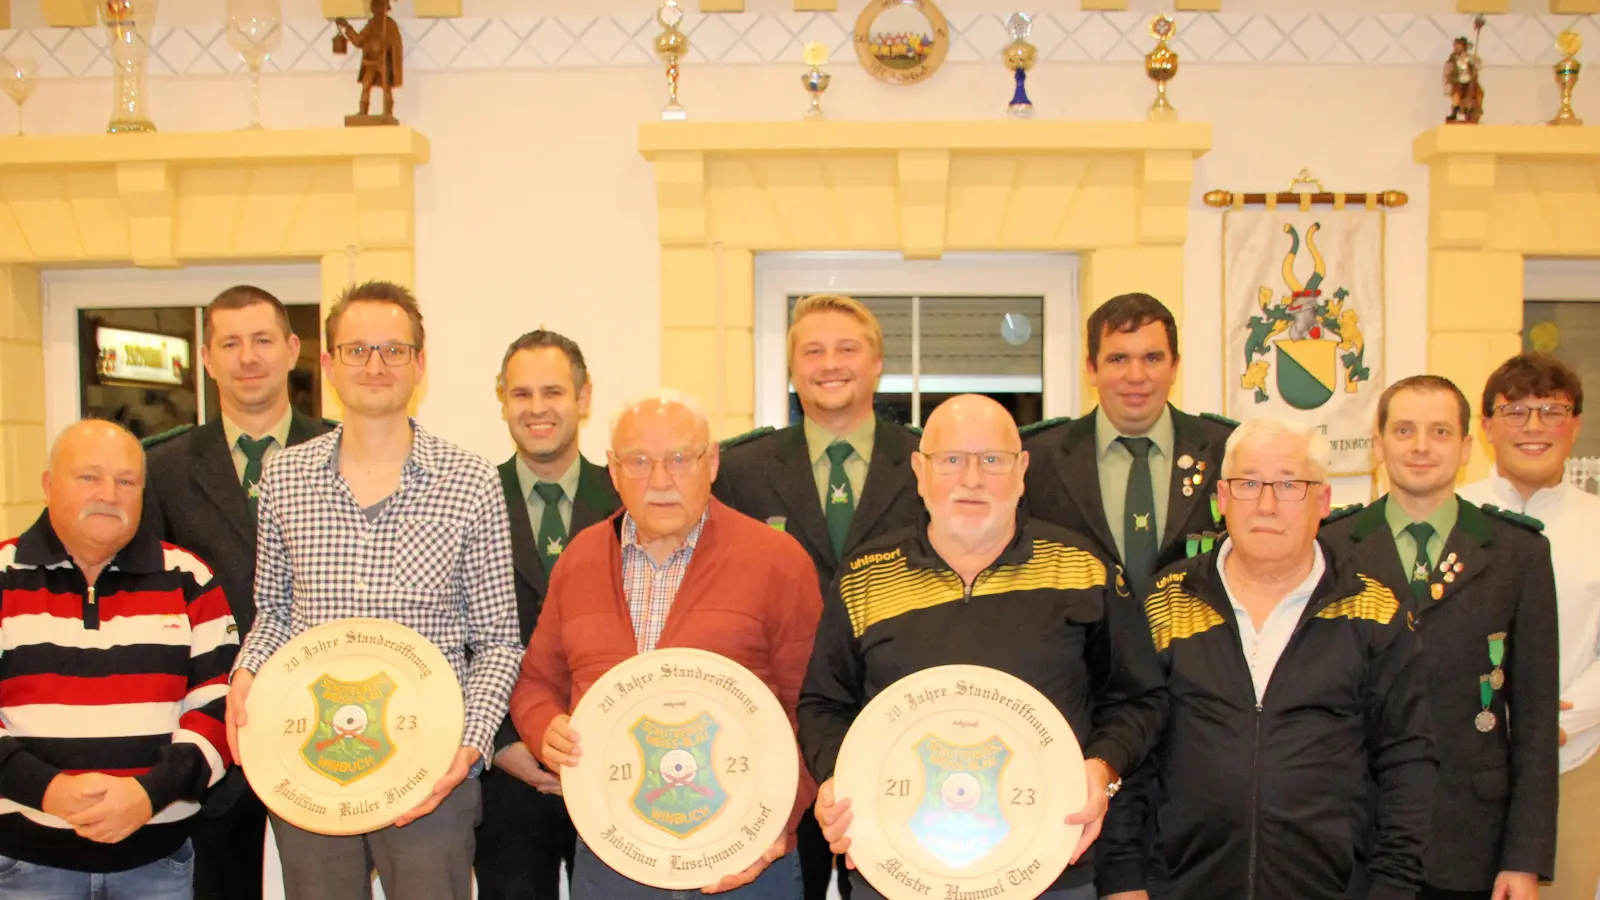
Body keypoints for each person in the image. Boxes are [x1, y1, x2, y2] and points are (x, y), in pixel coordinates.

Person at [800, 394, 1167, 900]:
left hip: (1050, 868)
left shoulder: (1085, 570)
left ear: (1022, 471)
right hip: (896, 869)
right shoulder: (864, 577)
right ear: (919, 471)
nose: (972, 479)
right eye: (951, 460)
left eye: (992, 460)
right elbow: (824, 705)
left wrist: (1102, 770)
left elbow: (1139, 699)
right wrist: (840, 780)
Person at [225, 281, 522, 900]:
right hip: (310, 759)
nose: (376, 366)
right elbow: (274, 612)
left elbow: (497, 641)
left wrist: (469, 747)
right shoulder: (284, 476)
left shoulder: (469, 482)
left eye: (393, 350)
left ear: (420, 364)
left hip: (431, 766)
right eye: (357, 350)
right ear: (329, 365)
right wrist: (246, 673)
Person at [1098, 417, 1436, 900]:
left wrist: (1394, 889)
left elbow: (1408, 763)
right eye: (1249, 483)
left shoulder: (1374, 611)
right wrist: (1122, 878)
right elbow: (1130, 745)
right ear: (1222, 498)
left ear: (1323, 501)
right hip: (1182, 886)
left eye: (1289, 484)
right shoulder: (1164, 603)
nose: (1267, 504)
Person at [511, 390, 821, 899]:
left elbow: (811, 708)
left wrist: (774, 826)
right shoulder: (580, 560)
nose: (659, 480)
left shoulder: (777, 561)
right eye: (638, 461)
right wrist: (546, 728)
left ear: (713, 460)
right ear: (612, 470)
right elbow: (536, 684)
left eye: (680, 458)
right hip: (613, 853)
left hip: (744, 861)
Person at [714, 293, 925, 900]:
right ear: (792, 368)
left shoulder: (924, 462)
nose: (829, 363)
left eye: (846, 348)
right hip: (781, 728)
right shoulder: (740, 470)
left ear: (878, 362)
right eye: (812, 351)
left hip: (899, 718)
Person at [1318, 374, 1558, 900]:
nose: (1421, 446)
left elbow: (1537, 724)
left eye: (1440, 432)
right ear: (1378, 445)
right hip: (1353, 839)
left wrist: (1525, 859)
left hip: (1471, 841)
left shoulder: (1518, 554)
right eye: (1404, 430)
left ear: (1467, 446)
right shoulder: (1329, 547)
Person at [142, 285, 334, 900]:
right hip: (216, 722)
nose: (247, 357)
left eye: (262, 340)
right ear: (207, 358)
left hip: (331, 715)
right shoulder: (164, 469)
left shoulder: (347, 450)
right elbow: (153, 603)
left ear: (292, 349)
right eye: (230, 343)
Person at [0, 420, 238, 898]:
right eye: (88, 477)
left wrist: (149, 796)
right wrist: (49, 791)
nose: (109, 494)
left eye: (126, 481)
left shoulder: (190, 578)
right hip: (27, 865)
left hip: (157, 863)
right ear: (49, 486)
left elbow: (222, 710)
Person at [479, 330, 619, 900]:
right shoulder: (471, 498)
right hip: (506, 773)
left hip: (612, 762)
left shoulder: (627, 498)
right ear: (502, 399)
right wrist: (505, 741)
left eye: (554, 392)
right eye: (521, 394)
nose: (537, 409)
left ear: (584, 398)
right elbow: (455, 633)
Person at [1459, 353, 1600, 900]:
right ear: (1487, 427)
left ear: (1577, 424)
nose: (1534, 426)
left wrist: (1553, 722)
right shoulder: (1452, 516)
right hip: (1462, 775)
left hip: (1573, 759)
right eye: (1515, 410)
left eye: (1551, 410)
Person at [1023, 293, 1235, 602]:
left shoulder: (1227, 451)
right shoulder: (1039, 460)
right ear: (1092, 369)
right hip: (1083, 647)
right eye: (1118, 359)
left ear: (1174, 367)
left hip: (1194, 647)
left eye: (1152, 358)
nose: (1136, 376)